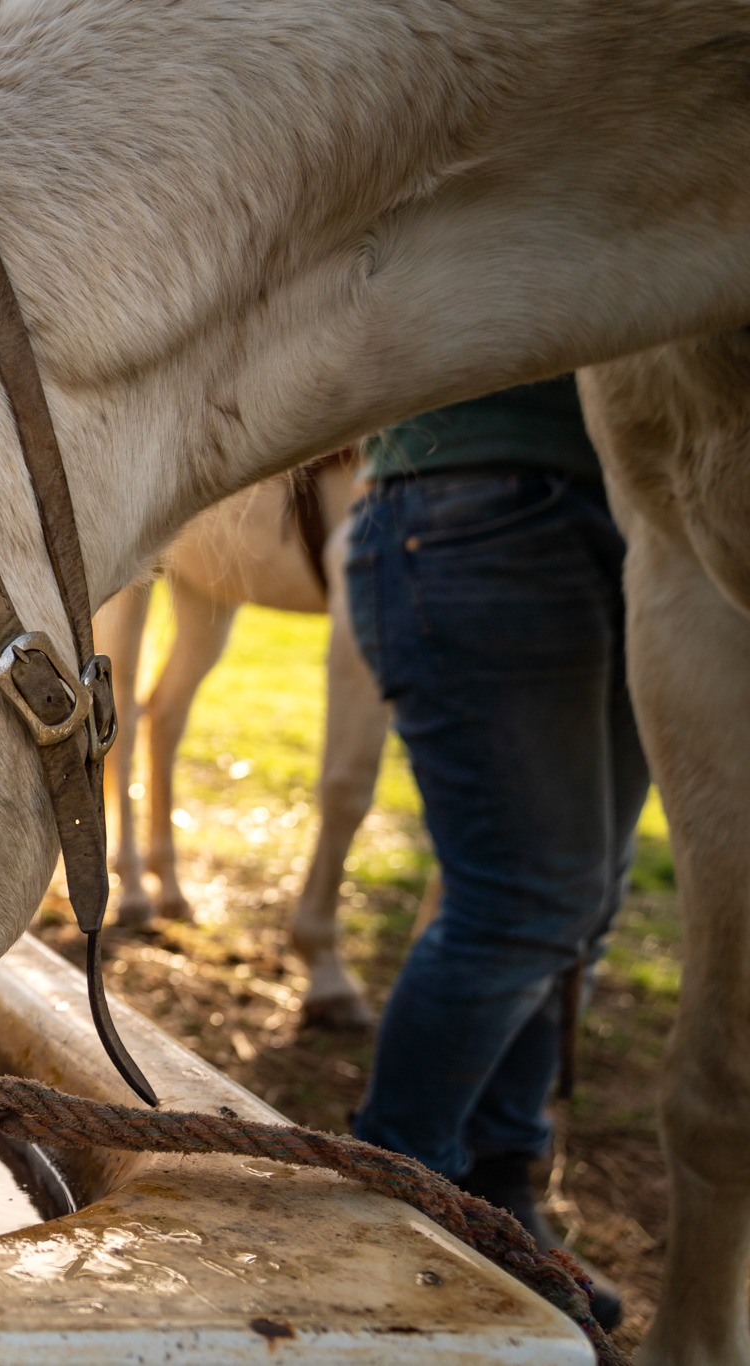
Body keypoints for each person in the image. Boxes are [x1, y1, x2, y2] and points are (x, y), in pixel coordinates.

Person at [345, 376, 646, 1330]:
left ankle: (497, 1183)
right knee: (524, 904)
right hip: (478, 497)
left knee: (586, 902)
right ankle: (393, 1207)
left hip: (647, 511)